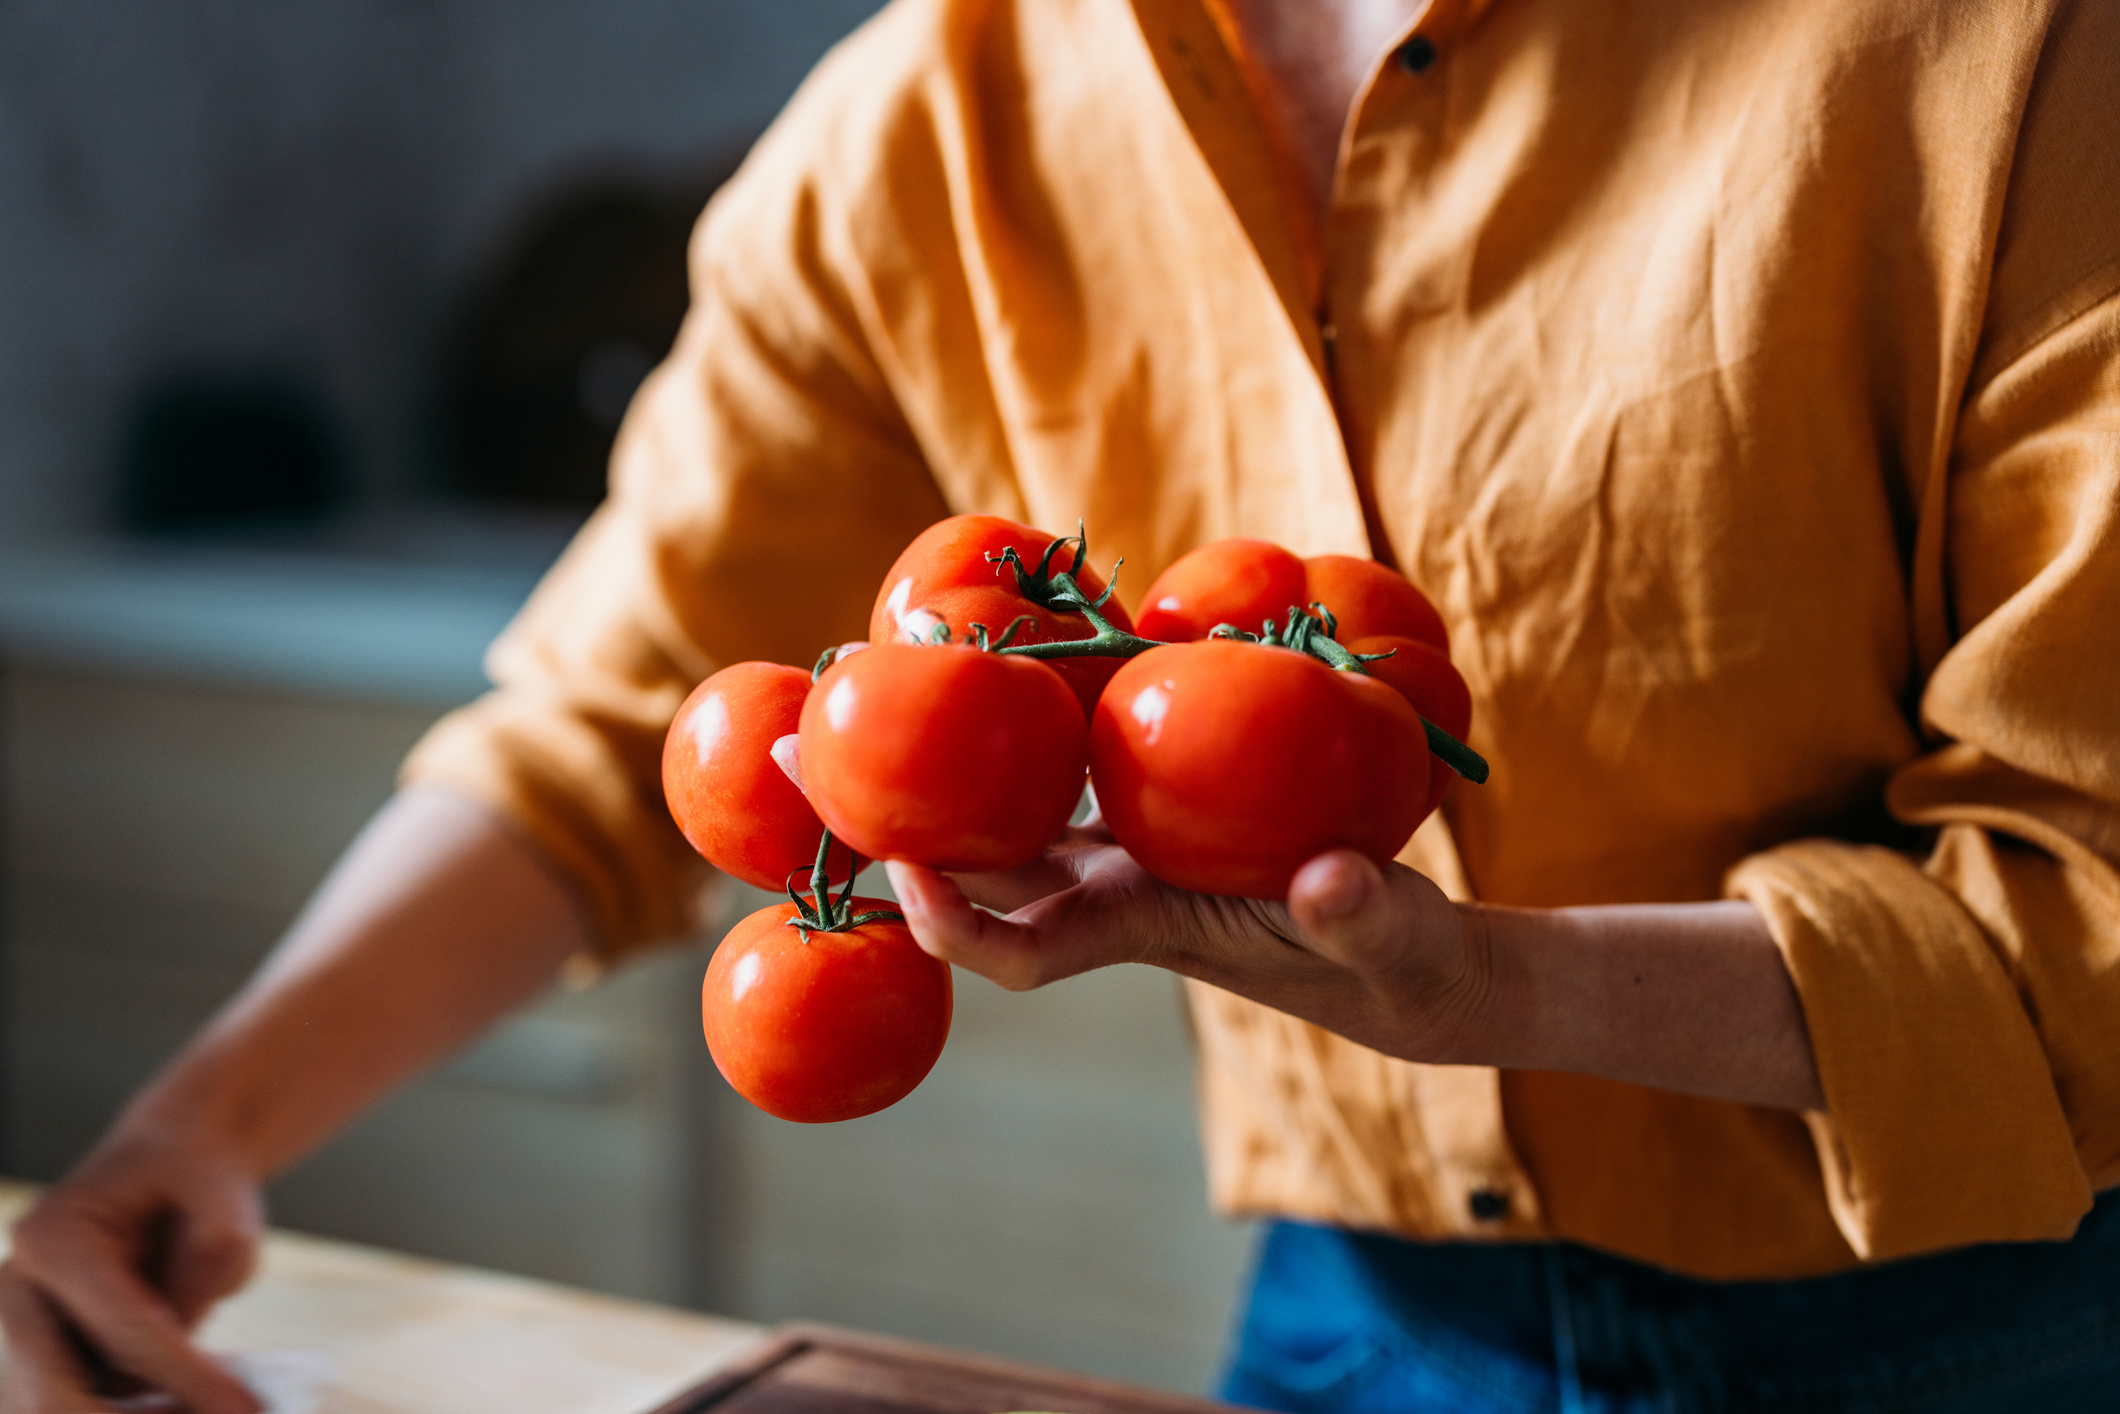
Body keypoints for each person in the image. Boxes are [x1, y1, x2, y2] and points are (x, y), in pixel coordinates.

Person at [7, 0, 2119, 1409]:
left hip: (1996, 1319)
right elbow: (608, 737)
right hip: (1350, 1316)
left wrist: (1501, 987)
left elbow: (2092, 904)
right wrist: (184, 1137)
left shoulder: (2000, 59)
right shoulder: (943, 102)